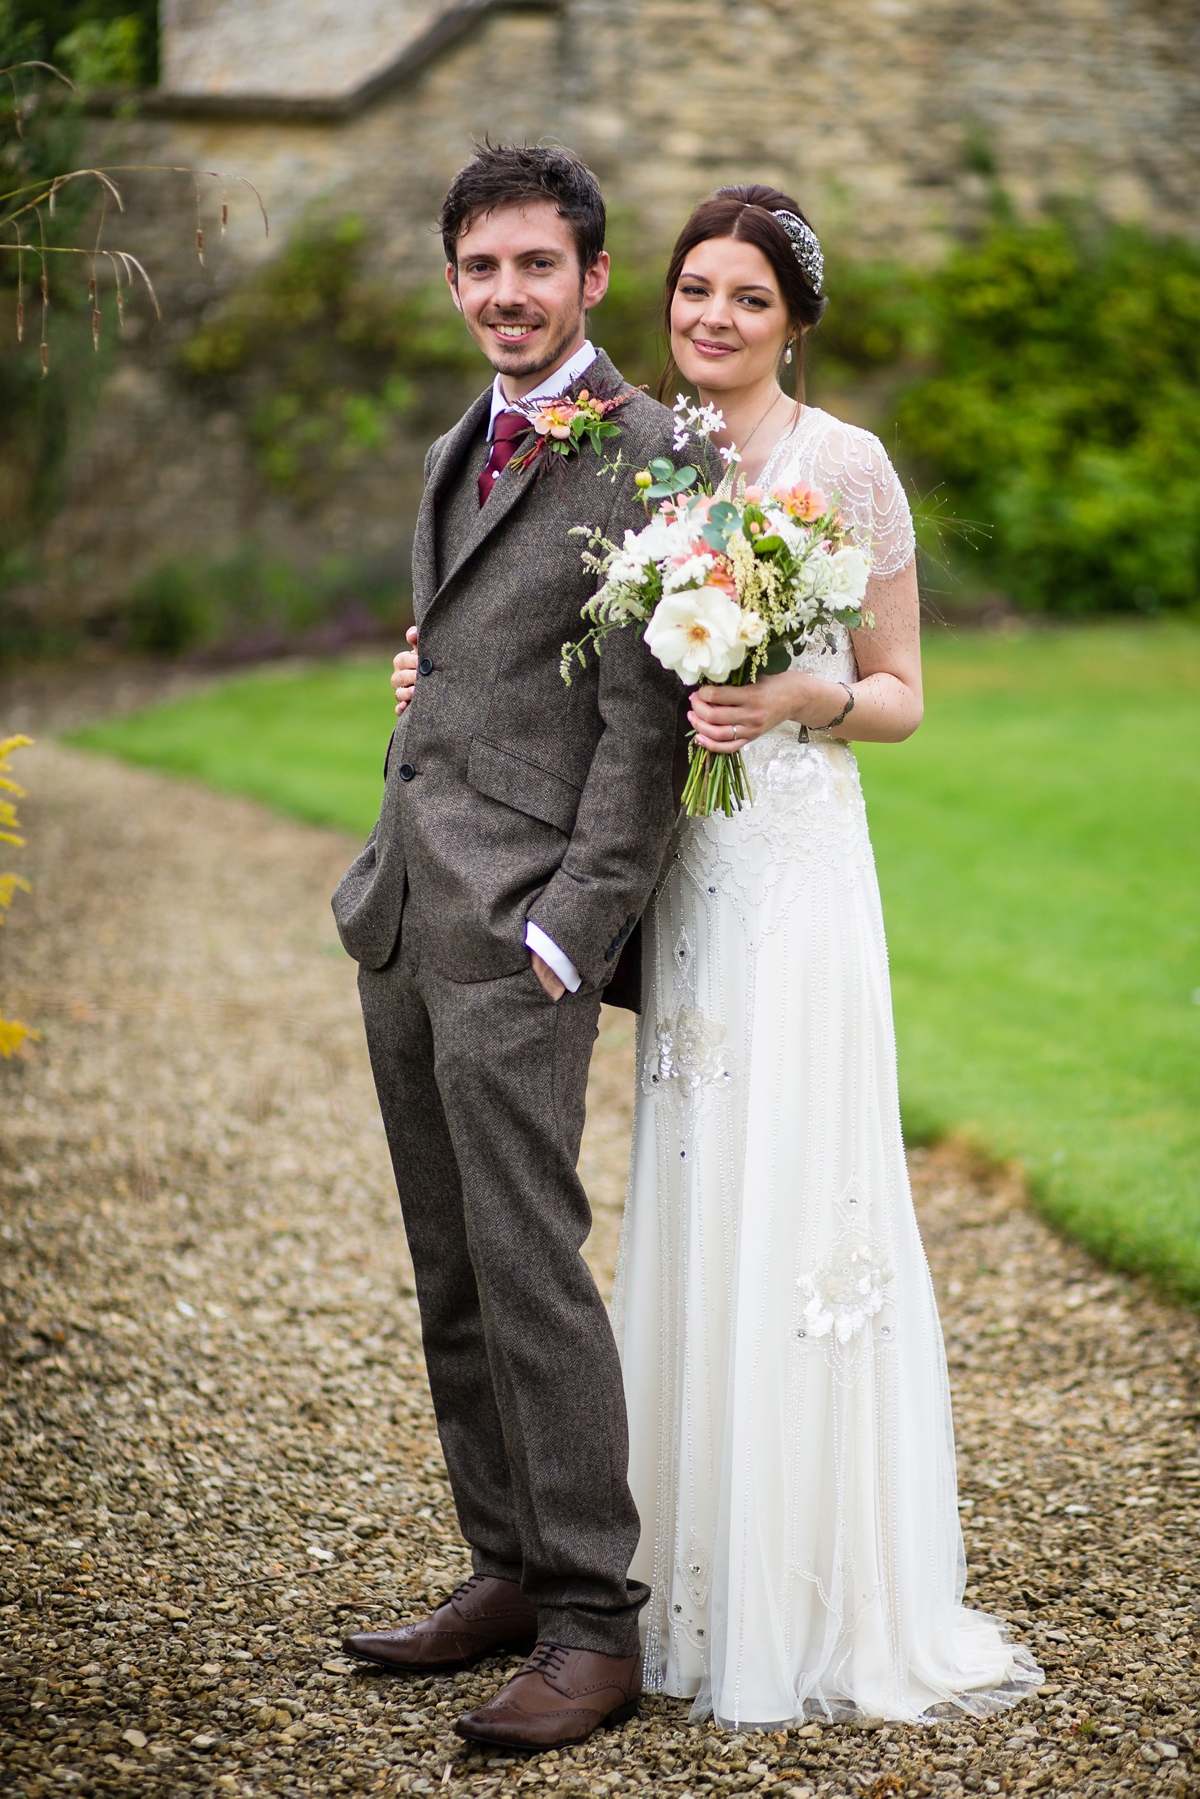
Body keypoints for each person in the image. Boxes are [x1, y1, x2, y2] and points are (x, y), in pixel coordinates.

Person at [611, 185, 1043, 1729]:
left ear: (793, 320)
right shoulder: (648, 453)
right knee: (697, 1167)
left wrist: (798, 697)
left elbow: (905, 691)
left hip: (796, 865)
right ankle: (673, 1570)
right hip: (689, 874)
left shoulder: (844, 465)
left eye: (745, 297)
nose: (712, 318)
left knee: (801, 1182)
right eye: (693, 292)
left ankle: (818, 1587)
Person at [331, 143, 716, 1752]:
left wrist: (575, 930)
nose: (506, 293)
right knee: (450, 1269)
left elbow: (648, 734)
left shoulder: (654, 458)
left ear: (593, 280)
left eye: (534, 267)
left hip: (524, 936)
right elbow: (471, 673)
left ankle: (591, 1623)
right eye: (480, 268)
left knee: (532, 1273)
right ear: (454, 280)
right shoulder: (454, 446)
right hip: (411, 913)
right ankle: (501, 1564)